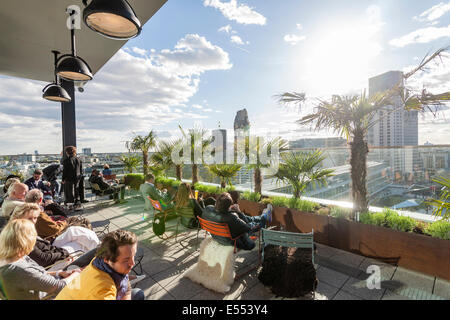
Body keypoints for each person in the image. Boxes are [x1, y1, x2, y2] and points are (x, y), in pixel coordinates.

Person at [0, 219, 80, 300]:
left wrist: (58, 273)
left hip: (53, 284)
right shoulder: (18, 268)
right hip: (54, 294)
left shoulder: (12, 257)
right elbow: (60, 287)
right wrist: (76, 274)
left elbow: (36, 274)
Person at [55, 229, 145, 300]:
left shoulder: (98, 261)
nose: (132, 263)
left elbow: (125, 283)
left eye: (133, 256)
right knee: (138, 294)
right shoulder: (103, 292)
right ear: (107, 260)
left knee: (136, 293)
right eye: (126, 260)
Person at [201, 193, 272, 251]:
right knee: (255, 224)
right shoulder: (231, 218)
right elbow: (248, 228)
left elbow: (222, 213)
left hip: (217, 237)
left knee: (248, 219)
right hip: (233, 241)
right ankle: (264, 217)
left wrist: (232, 211)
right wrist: (238, 211)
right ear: (228, 206)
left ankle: (264, 216)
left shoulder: (208, 209)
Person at [10, 203, 70, 268]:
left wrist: (62, 252)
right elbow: (42, 259)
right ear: (18, 218)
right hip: (46, 268)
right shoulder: (19, 235)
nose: (33, 221)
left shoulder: (25, 230)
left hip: (51, 258)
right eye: (29, 218)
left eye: (35, 218)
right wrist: (64, 253)